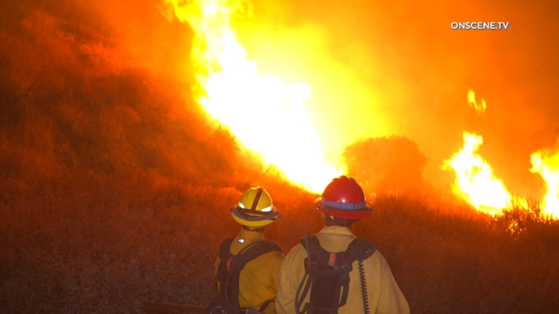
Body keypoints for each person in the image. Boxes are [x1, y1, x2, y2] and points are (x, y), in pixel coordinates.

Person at [275, 176, 409, 314]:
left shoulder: (296, 255)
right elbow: (396, 310)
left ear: (323, 213)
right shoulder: (373, 260)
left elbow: (283, 306)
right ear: (357, 217)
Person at [208, 187, 285, 314]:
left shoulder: (225, 250)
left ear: (239, 217)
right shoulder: (275, 259)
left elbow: (219, 284)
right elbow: (288, 298)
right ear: (269, 221)